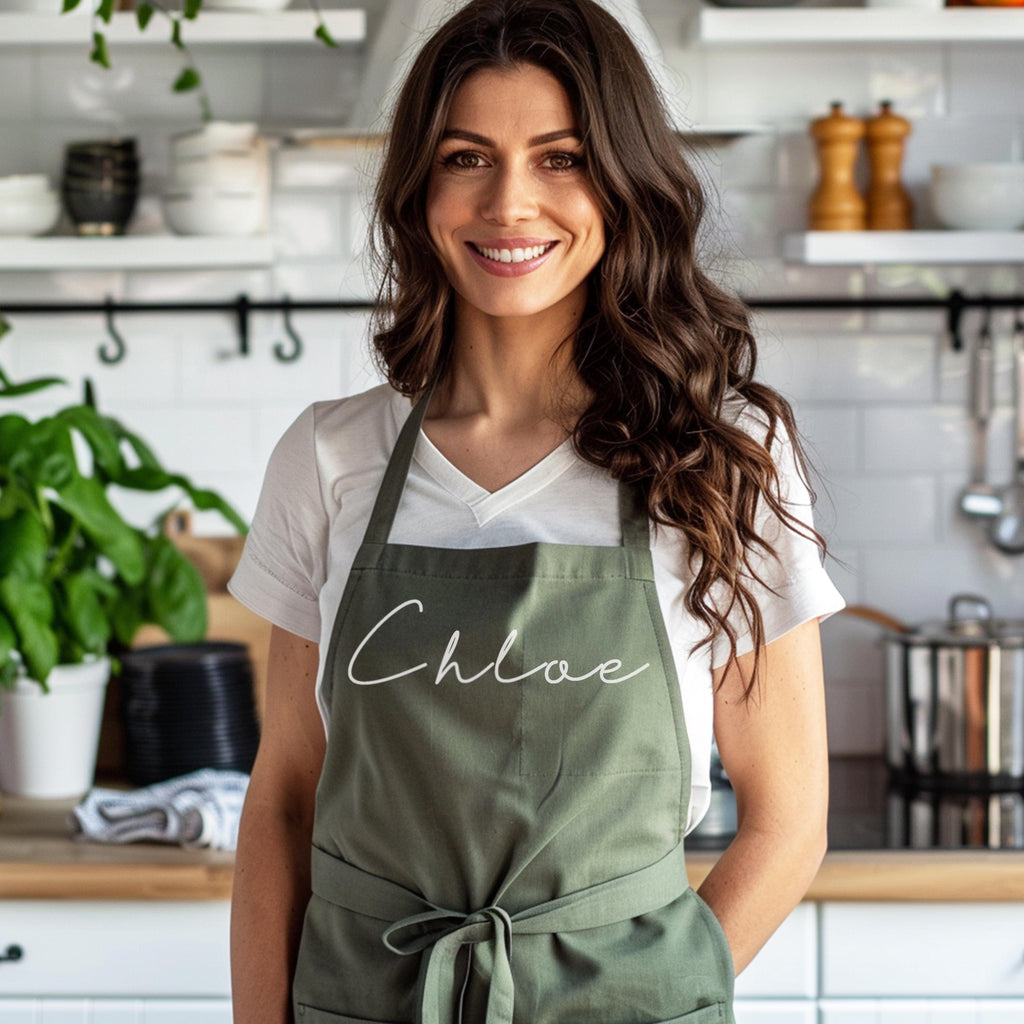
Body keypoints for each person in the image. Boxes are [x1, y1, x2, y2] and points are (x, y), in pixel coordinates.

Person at [228, 1, 845, 1021]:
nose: (510, 202)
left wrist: (652, 993)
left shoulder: (721, 459)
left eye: (559, 157)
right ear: (420, 188)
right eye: (467, 156)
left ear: (622, 183)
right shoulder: (330, 456)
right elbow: (285, 794)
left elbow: (789, 820)